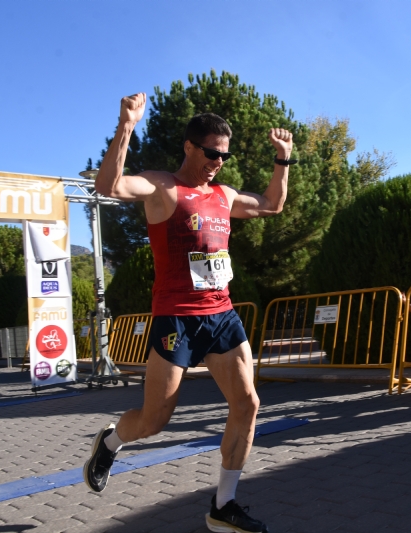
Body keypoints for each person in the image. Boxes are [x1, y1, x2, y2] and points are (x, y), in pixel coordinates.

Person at [83, 92, 293, 533]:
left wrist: (283, 160)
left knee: (248, 403)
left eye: (224, 155)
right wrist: (126, 126)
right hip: (176, 319)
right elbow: (109, 187)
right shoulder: (163, 188)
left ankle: (224, 504)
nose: (218, 161)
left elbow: (273, 205)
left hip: (221, 315)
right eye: (211, 152)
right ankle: (112, 441)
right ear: (189, 146)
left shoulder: (224, 195)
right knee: (155, 420)